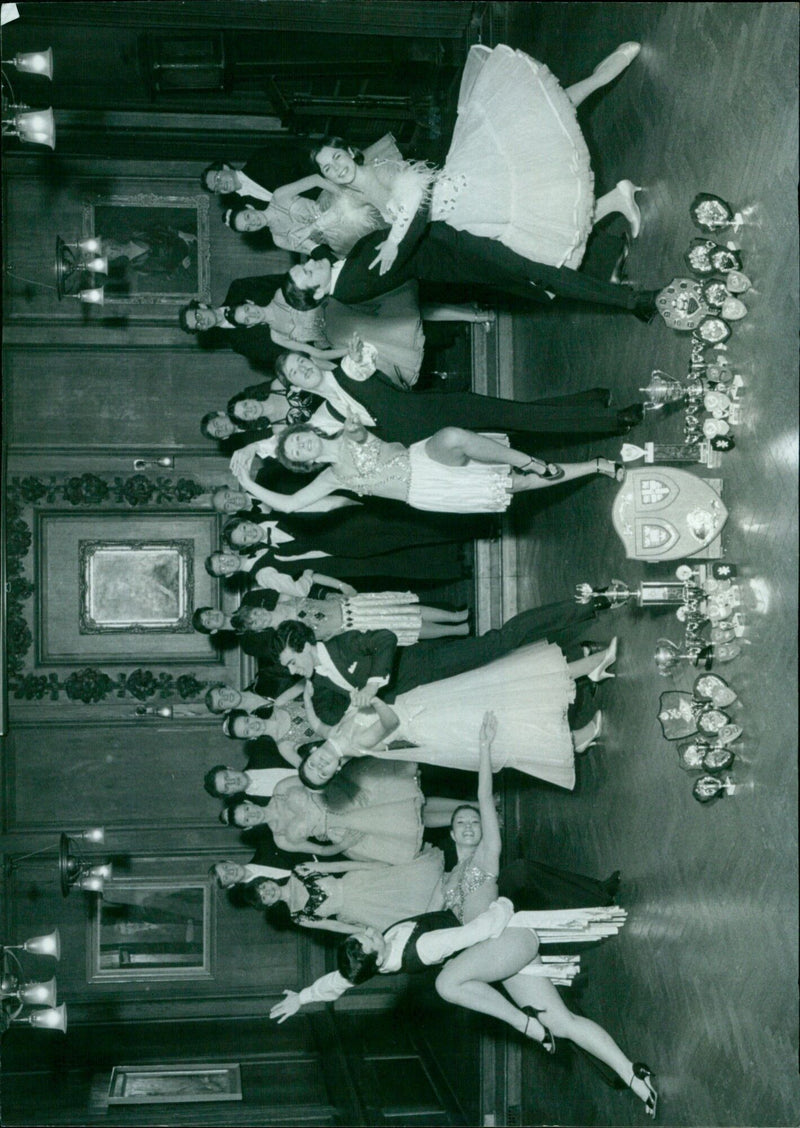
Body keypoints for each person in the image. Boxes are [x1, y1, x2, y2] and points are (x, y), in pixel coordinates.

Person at [272, 715, 658, 1118]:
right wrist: (305, 997)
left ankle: (528, 1026)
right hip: (501, 949)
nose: (369, 930)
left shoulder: (471, 871)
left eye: (472, 822)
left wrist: (485, 752)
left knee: (447, 982)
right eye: (367, 938)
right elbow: (346, 978)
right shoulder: (423, 930)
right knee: (558, 1020)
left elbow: (484, 805)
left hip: (505, 940)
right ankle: (633, 1075)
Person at [311, 43, 644, 274]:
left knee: (537, 126)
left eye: (336, 157)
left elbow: (413, 192)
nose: (336, 167)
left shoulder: (376, 169)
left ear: (350, 153)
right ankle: (616, 199)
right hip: (468, 216)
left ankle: (602, 76)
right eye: (328, 167)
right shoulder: (360, 195)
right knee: (546, 221)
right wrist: (319, 226)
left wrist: (394, 242)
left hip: (471, 186)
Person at [296, 635, 617, 790]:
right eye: (323, 772)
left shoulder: (333, 735)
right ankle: (577, 733)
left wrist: (307, 696)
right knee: (504, 713)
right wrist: (372, 699)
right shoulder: (354, 746)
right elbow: (390, 722)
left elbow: (317, 724)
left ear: (311, 754)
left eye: (313, 764)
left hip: (425, 702)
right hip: (429, 722)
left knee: (504, 685)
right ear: (335, 771)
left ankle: (589, 671)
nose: (320, 764)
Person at [281, 197, 660, 320]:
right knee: (540, 270)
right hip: (459, 253)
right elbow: (402, 246)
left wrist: (310, 240)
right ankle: (634, 301)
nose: (311, 264)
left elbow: (319, 254)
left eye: (304, 264)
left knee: (536, 247)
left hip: (454, 247)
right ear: (317, 295)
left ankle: (608, 252)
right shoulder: (350, 284)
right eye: (308, 273)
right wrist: (420, 201)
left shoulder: (337, 274)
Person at [271, 595, 606, 726]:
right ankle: (586, 662)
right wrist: (309, 699)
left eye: (291, 662)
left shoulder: (342, 645)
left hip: (431, 664)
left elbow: (385, 638)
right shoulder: (319, 684)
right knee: (503, 685)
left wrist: (373, 683)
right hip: (427, 702)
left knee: (501, 642)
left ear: (305, 645)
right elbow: (330, 718)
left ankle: (584, 605)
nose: (293, 670)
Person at [233, 418, 626, 518]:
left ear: (309, 432)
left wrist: (355, 430)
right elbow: (287, 506)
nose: (302, 444)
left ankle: (530, 460)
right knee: (514, 487)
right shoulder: (332, 478)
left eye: (300, 438)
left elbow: (358, 434)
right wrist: (246, 482)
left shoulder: (342, 427)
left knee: (454, 435)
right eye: (297, 451)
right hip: (425, 493)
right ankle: (594, 465)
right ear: (304, 463)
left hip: (422, 459)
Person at [274, 345, 644, 442]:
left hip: (441, 409)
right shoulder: (324, 419)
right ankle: (590, 404)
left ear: (309, 358)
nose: (303, 369)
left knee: (515, 417)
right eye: (295, 373)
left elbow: (364, 361)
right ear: (294, 386)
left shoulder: (348, 369)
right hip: (427, 444)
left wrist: (361, 354)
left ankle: (612, 419)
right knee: (515, 422)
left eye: (301, 362)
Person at [220, 761, 461, 865]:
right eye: (246, 820)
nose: (251, 815)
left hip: (346, 801)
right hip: (345, 832)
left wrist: (351, 788)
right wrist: (344, 844)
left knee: (416, 803)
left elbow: (320, 782)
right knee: (413, 824)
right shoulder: (281, 839)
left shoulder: (281, 789)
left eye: (247, 810)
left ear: (249, 803)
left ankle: (474, 804)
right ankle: (469, 814)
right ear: (248, 827)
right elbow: (321, 850)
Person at [227, 572, 469, 645]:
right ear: (256, 630)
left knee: (406, 609)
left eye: (255, 613)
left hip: (350, 604)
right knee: (407, 629)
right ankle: (458, 631)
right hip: (353, 627)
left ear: (256, 608)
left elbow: (310, 575)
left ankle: (456, 616)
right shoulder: (284, 635)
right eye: (254, 622)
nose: (258, 618)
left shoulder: (282, 597)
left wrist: (342, 584)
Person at [241, 847, 445, 934]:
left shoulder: (299, 871)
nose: (268, 892)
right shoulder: (298, 917)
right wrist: (364, 931)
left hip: (360, 882)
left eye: (264, 887)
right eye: (264, 897)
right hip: (360, 910)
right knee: (418, 909)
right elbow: (333, 927)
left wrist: (373, 865)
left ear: (267, 880)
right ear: (268, 905)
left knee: (421, 882)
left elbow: (339, 867)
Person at [178, 274, 286, 370]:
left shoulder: (239, 288)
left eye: (198, 316)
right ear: (203, 330)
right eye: (198, 325)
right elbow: (281, 356)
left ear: (202, 306)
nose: (203, 322)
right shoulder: (239, 344)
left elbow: (281, 281)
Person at [204, 740, 299, 801]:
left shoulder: (262, 750)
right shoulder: (258, 810)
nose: (232, 782)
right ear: (230, 795)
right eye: (227, 787)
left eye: (227, 777)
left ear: (230, 768)